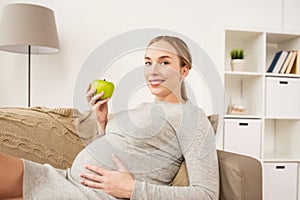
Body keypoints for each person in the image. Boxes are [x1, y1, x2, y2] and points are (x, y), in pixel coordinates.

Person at [0, 35, 219, 199]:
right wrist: (101, 122)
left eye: (164, 62)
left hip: (97, 196)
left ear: (184, 70)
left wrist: (133, 189)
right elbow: (122, 153)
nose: (152, 70)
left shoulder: (192, 117)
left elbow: (207, 194)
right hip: (67, 178)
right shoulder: (141, 108)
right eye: (147, 62)